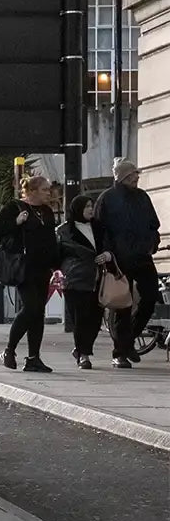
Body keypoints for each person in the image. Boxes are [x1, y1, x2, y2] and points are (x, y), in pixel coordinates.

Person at [0, 173, 59, 373]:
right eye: (44, 189)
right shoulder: (14, 207)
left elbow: (51, 240)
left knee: (38, 312)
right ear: (32, 191)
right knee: (31, 307)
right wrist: (15, 222)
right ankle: (9, 350)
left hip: (42, 267)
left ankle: (34, 358)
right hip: (23, 267)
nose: (48, 193)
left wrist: (56, 265)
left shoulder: (47, 212)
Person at [92, 157, 162, 367]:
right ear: (122, 177)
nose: (136, 178)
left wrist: (152, 243)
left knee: (150, 299)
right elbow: (99, 230)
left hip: (142, 257)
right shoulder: (106, 199)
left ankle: (128, 341)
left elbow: (153, 224)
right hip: (118, 259)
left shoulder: (142, 197)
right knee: (122, 304)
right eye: (133, 175)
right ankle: (120, 352)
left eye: (137, 175)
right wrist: (106, 255)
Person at [56, 194, 112, 370]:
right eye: (87, 206)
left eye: (92, 206)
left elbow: (111, 245)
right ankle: (83, 354)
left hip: (98, 279)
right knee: (80, 319)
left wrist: (109, 255)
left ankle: (83, 349)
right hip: (75, 279)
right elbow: (56, 256)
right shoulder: (64, 231)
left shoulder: (99, 227)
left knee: (95, 319)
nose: (91, 209)